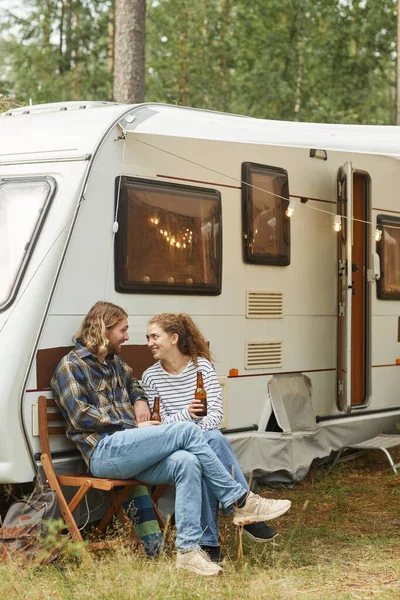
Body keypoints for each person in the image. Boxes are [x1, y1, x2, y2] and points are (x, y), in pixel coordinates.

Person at [51, 301, 291, 577]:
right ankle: (240, 500)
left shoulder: (115, 362)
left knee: (187, 461)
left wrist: (140, 400)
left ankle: (189, 550)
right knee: (188, 430)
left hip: (134, 450)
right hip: (104, 452)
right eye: (123, 330)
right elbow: (80, 415)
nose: (128, 337)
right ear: (103, 329)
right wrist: (132, 423)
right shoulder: (71, 366)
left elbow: (134, 384)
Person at [142, 313, 283, 563]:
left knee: (210, 443)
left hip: (202, 438)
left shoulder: (201, 367)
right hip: (171, 446)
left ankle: (209, 541)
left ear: (174, 338)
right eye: (148, 337)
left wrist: (196, 432)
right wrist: (187, 416)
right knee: (211, 442)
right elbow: (160, 426)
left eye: (155, 336)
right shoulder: (150, 377)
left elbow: (215, 413)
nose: (149, 343)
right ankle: (243, 508)